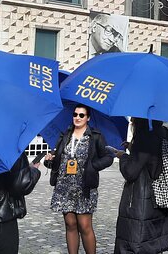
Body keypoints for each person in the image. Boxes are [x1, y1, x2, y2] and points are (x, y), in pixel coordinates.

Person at [44, 106, 113, 254]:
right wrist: (49, 160)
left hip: (84, 186)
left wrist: (93, 166)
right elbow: (57, 158)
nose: (78, 117)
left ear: (88, 118)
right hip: (64, 186)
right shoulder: (65, 135)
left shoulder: (95, 136)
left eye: (82, 115)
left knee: (84, 225)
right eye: (75, 114)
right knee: (70, 224)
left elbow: (108, 158)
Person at [112, 118, 168, 253]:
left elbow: (131, 172)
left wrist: (123, 156)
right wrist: (133, 147)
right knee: (153, 245)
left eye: (133, 119)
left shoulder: (144, 135)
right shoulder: (162, 132)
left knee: (137, 245)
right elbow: (151, 157)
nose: (132, 121)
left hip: (141, 202)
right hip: (160, 199)